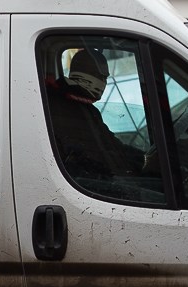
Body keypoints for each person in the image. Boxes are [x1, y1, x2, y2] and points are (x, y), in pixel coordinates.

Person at [46, 49, 142, 185]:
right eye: (102, 77)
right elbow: (101, 153)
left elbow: (109, 144)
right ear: (89, 75)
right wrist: (142, 161)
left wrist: (141, 158)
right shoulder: (69, 109)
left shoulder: (79, 106)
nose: (104, 83)